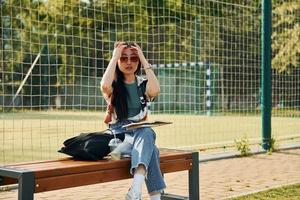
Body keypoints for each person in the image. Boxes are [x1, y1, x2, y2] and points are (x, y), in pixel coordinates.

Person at [100, 41, 166, 200]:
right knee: (152, 148)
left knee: (146, 133)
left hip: (140, 136)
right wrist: (115, 55)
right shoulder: (114, 85)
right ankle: (147, 194)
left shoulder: (143, 84)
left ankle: (135, 191)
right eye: (123, 58)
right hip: (118, 141)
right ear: (117, 61)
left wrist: (143, 58)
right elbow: (104, 85)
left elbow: (155, 90)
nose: (129, 62)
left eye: (133, 58)